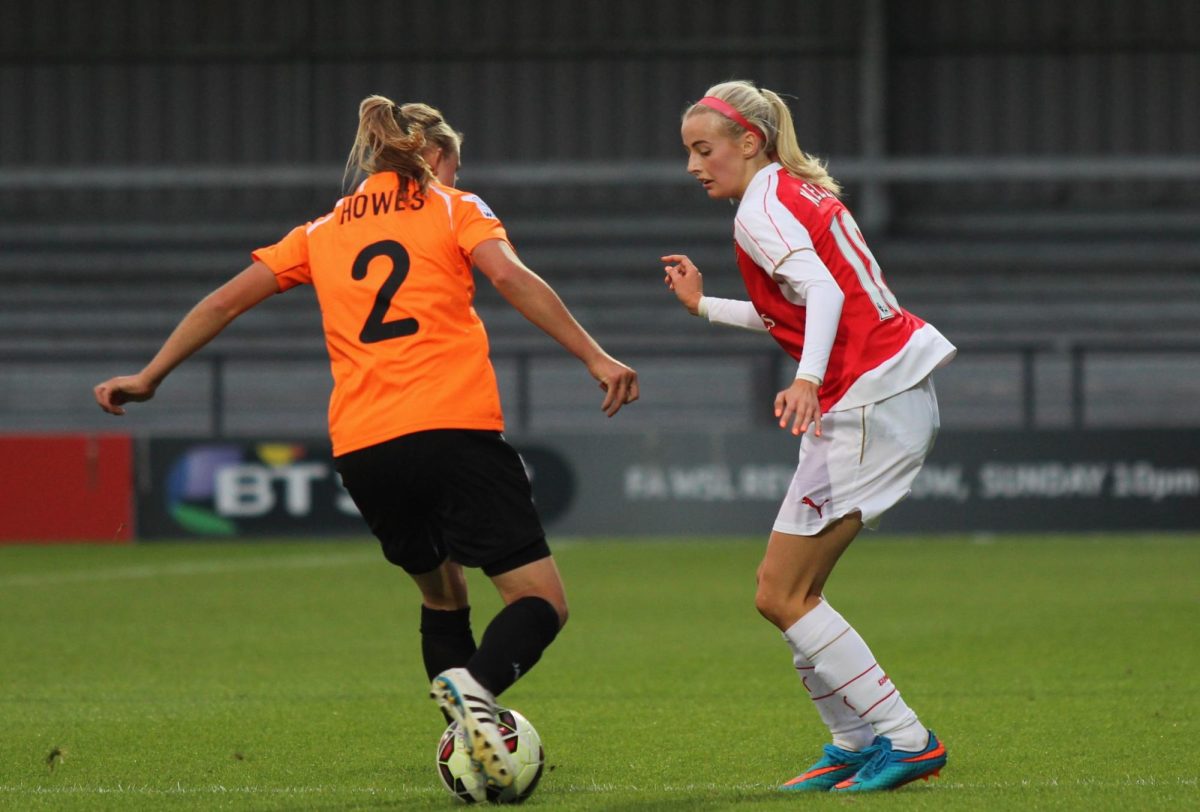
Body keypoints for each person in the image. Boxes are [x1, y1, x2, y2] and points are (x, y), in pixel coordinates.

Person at [94, 95, 638, 798]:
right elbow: (507, 275)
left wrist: (148, 375)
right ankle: (475, 690)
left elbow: (224, 301)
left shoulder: (320, 230)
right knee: (541, 602)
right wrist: (595, 356)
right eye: (455, 163)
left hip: (364, 446)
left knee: (444, 597)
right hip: (452, 428)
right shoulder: (453, 207)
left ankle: (463, 736)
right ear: (436, 159)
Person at [661, 80, 956, 793]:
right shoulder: (796, 192)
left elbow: (822, 296)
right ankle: (854, 742)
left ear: (749, 142)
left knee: (780, 592)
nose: (696, 165)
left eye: (705, 150)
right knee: (792, 591)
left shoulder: (760, 209)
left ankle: (908, 740)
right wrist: (706, 307)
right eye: (689, 153)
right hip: (883, 392)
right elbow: (803, 306)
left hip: (865, 400)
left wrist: (806, 379)